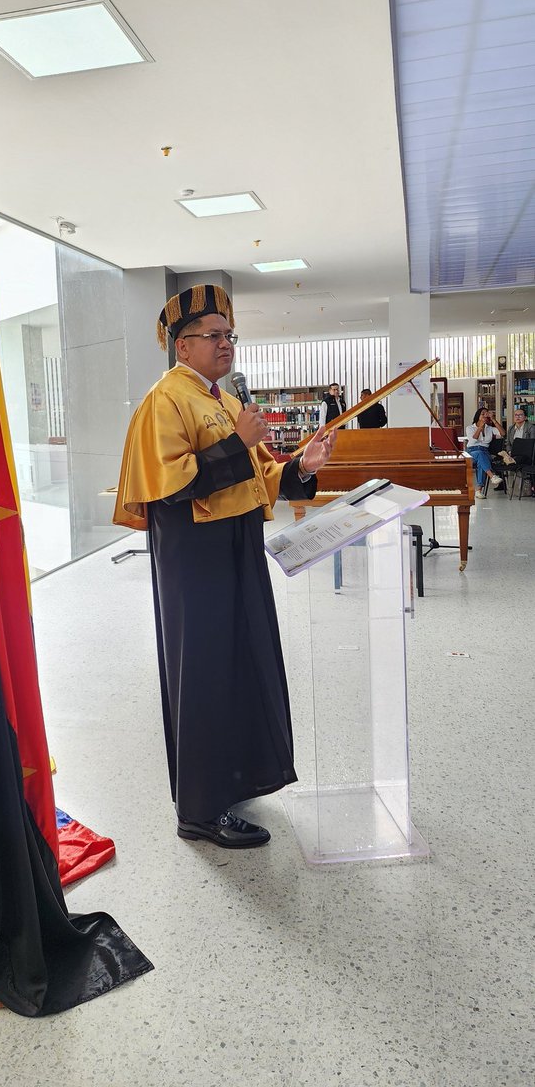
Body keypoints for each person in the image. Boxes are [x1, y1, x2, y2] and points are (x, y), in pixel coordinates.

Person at [114, 284, 336, 849]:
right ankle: (198, 809)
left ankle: (233, 779)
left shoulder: (224, 400)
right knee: (204, 673)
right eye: (213, 336)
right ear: (181, 346)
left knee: (240, 662)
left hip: (237, 550)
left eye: (228, 335)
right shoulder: (164, 402)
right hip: (195, 559)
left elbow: (257, 474)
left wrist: (301, 468)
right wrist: (237, 445)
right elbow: (167, 488)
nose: (225, 344)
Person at [465, 406, 504, 491]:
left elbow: (503, 433)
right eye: (482, 414)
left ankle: (479, 490)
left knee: (481, 461)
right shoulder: (470, 428)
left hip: (485, 452)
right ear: (477, 416)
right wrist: (480, 428)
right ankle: (492, 476)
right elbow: (473, 439)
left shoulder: (490, 428)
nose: (484, 416)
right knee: (479, 454)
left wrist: (493, 419)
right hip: (472, 452)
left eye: (486, 415)